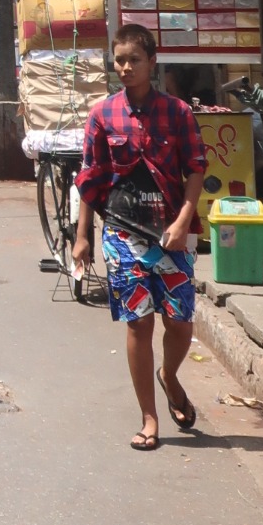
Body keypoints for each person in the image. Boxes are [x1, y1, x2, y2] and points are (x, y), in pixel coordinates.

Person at [72, 22, 207, 452]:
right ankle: (149, 418)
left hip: (172, 233)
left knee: (180, 323)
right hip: (122, 233)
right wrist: (82, 237)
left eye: (134, 59)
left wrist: (184, 220)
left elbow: (196, 169)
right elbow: (90, 181)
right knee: (139, 323)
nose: (126, 67)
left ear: (152, 61)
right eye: (120, 60)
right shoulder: (102, 114)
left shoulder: (178, 113)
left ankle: (168, 375)